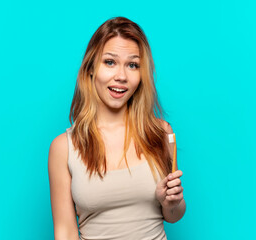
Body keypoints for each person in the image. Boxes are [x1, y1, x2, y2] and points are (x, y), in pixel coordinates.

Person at [48, 16, 186, 240]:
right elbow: (64, 232)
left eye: (132, 65)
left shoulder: (161, 133)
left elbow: (172, 215)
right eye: (110, 62)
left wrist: (172, 202)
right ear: (91, 68)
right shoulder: (63, 148)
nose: (121, 76)